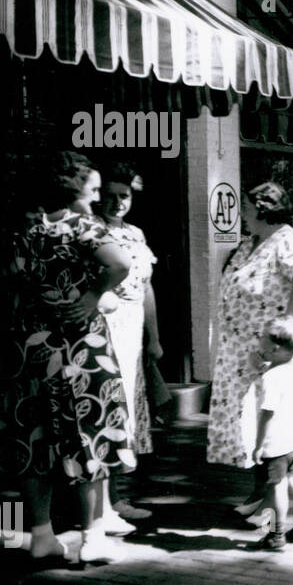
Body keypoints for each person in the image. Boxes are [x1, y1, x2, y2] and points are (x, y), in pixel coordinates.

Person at [1, 151, 134, 564]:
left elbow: (12, 279)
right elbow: (120, 262)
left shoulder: (24, 227)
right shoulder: (83, 226)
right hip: (81, 346)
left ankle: (41, 535)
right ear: (73, 188)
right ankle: (93, 536)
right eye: (93, 190)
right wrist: (93, 296)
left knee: (33, 434)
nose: (96, 200)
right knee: (90, 431)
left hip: (33, 346)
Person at [208, 183, 293, 509]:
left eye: (246, 206)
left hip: (271, 350)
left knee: (271, 421)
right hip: (248, 349)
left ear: (262, 207)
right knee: (254, 422)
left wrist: (285, 320)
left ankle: (273, 506)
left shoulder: (285, 240)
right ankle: (262, 495)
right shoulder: (254, 242)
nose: (242, 213)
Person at [97, 164, 159, 528]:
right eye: (110, 194)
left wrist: (155, 338)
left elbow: (147, 288)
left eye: (124, 195)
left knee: (129, 412)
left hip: (133, 328)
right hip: (105, 324)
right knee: (108, 407)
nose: (116, 202)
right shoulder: (93, 231)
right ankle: (104, 503)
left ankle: (117, 497)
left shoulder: (136, 234)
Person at [249, 316, 293, 552]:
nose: (259, 343)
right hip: (292, 441)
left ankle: (276, 534)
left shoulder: (270, 379)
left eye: (263, 340)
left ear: (274, 348)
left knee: (277, 487)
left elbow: (267, 413)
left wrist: (258, 445)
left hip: (274, 445)